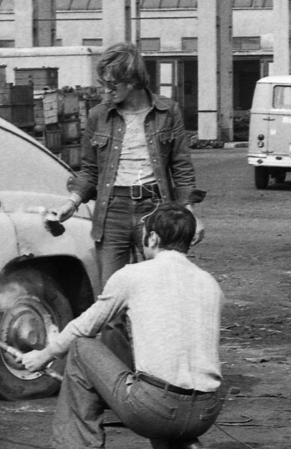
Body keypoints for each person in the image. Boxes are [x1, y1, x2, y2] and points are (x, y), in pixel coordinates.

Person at [18, 204, 223, 449]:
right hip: (206, 412)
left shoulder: (132, 275)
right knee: (160, 376)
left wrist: (45, 354)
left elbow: (84, 327)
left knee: (82, 349)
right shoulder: (210, 282)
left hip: (157, 409)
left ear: (152, 239)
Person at [46, 42, 204, 288]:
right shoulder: (98, 116)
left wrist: (190, 214)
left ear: (132, 80)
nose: (105, 92)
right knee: (112, 293)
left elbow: (181, 167)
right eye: (103, 85)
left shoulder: (167, 111)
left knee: (159, 290)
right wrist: (71, 204)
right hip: (112, 211)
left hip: (155, 210)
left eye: (111, 86)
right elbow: (90, 170)